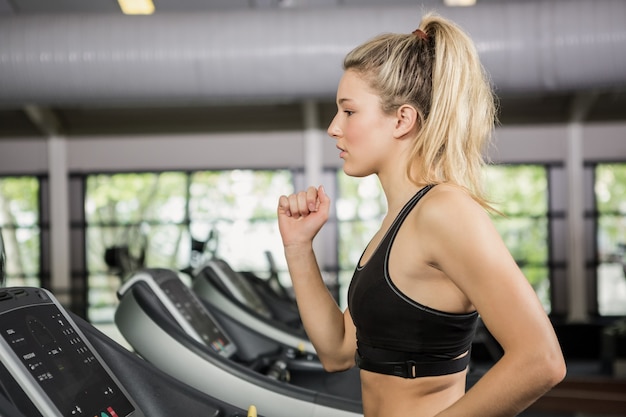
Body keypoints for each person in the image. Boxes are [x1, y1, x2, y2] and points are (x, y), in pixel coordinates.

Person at [277, 11, 566, 417]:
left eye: (349, 111)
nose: (333, 128)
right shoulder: (398, 221)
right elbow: (338, 351)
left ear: (402, 119)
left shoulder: (444, 211)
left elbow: (541, 360)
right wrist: (297, 247)